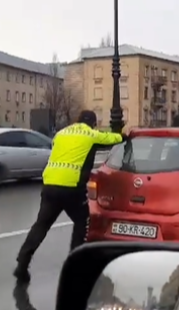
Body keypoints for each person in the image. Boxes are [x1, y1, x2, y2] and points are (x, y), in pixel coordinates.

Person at [14, 110, 127, 282]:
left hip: (50, 184)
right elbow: (115, 139)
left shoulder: (60, 133)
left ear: (77, 120)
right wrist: (123, 134)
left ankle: (23, 262)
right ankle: (74, 263)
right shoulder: (91, 134)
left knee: (41, 225)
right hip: (72, 187)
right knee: (83, 221)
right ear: (92, 123)